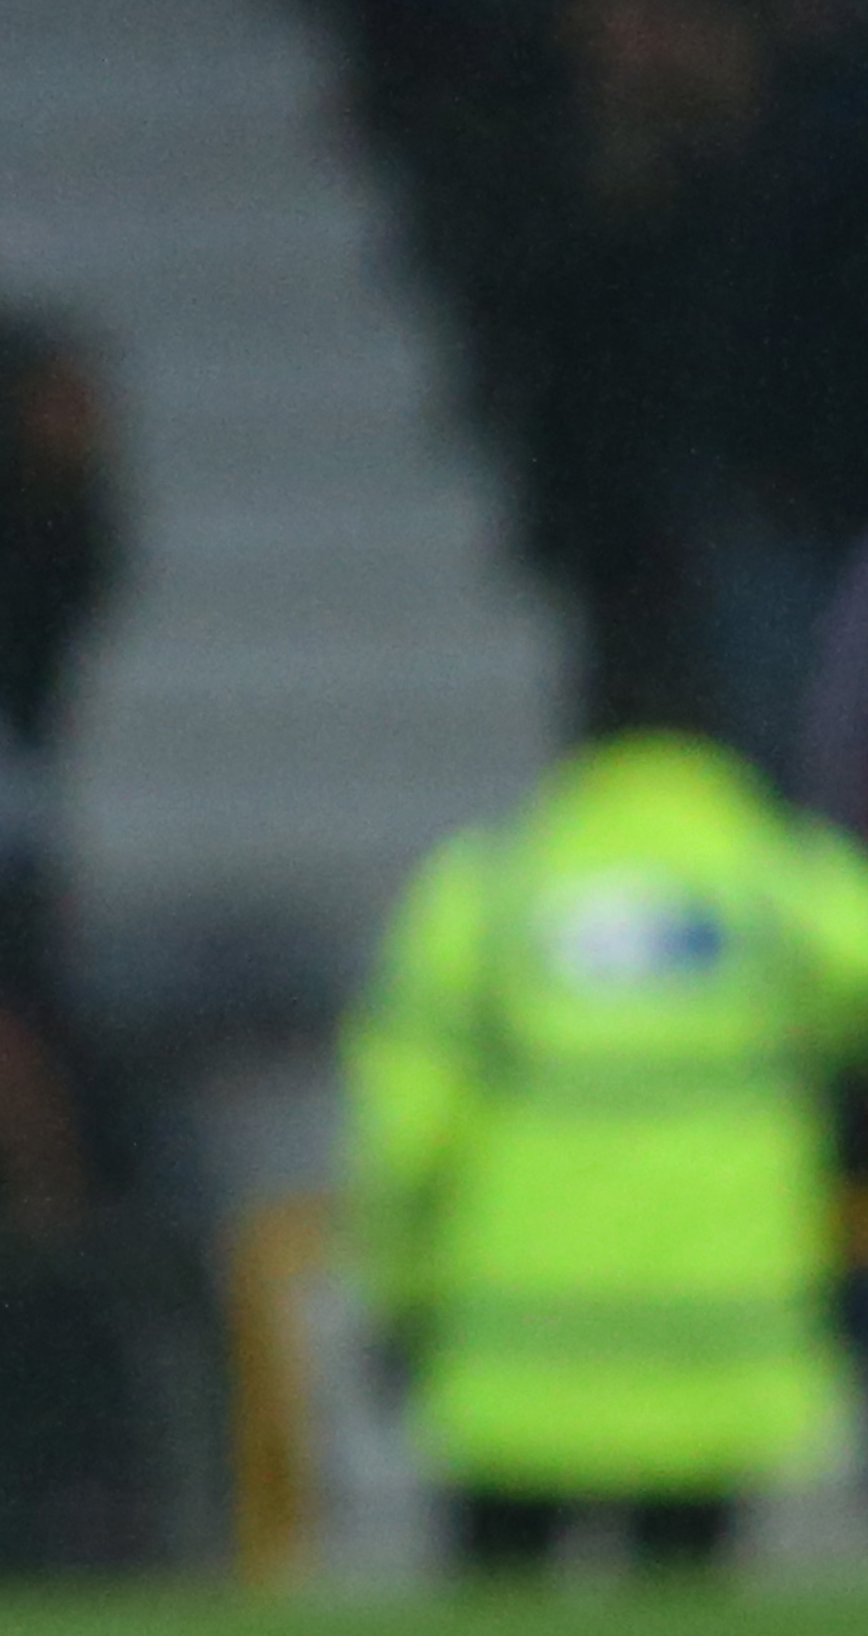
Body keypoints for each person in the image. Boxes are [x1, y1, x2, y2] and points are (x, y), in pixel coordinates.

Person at [344, 673, 868, 1577]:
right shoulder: (788, 886)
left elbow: (404, 1134)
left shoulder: (490, 890)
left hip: (516, 1352)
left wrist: (397, 1293)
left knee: (492, 1630)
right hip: (713, 1347)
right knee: (681, 1624)